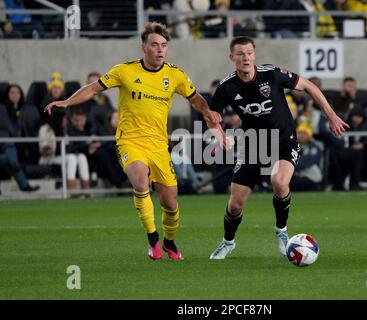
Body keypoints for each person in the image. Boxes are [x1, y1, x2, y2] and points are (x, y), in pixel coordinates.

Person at [44, 22, 222, 261]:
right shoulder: (124, 71)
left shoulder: (175, 75)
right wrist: (66, 102)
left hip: (159, 145)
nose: (160, 50)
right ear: (144, 47)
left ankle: (169, 242)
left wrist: (206, 112)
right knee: (140, 181)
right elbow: (93, 89)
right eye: (154, 45)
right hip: (130, 141)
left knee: (170, 202)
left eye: (164, 46)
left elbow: (195, 97)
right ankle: (153, 240)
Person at [208, 36, 348, 259]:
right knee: (235, 204)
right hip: (253, 145)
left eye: (250, 53)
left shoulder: (271, 74)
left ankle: (281, 230)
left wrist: (331, 116)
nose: (246, 57)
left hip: (284, 141)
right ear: (231, 57)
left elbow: (309, 86)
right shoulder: (226, 87)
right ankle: (228, 242)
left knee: (279, 181)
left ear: (254, 54)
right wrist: (221, 136)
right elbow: (211, 119)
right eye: (241, 53)